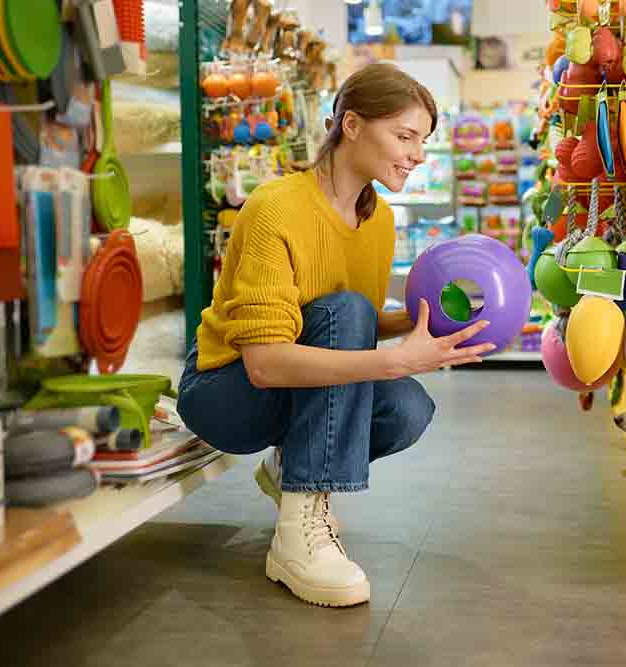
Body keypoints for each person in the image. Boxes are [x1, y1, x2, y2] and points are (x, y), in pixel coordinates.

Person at [176, 64, 494, 608]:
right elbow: (266, 364)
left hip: (285, 384)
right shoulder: (276, 206)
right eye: (405, 136)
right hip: (224, 391)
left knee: (408, 410)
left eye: (423, 141)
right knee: (355, 323)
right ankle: (298, 531)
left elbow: (349, 329)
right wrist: (394, 360)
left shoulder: (379, 222)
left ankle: (292, 470)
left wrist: (432, 323)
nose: (418, 154)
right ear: (350, 125)